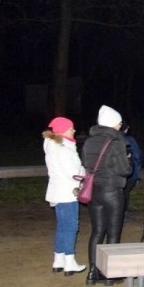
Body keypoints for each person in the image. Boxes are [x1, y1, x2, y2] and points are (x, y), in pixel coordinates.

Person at [82, 105, 132, 286]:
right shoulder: (117, 143)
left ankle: (92, 272)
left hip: (94, 191)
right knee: (112, 233)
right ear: (112, 124)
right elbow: (125, 170)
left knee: (96, 232)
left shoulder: (89, 141)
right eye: (118, 124)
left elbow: (87, 165)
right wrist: (128, 158)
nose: (120, 127)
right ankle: (110, 275)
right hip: (112, 191)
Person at [42, 116, 87, 276]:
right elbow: (74, 173)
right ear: (63, 131)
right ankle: (70, 261)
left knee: (62, 226)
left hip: (57, 190)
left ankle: (58, 259)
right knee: (71, 226)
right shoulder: (64, 149)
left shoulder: (54, 146)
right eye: (71, 128)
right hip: (67, 192)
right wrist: (85, 173)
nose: (74, 130)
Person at [122, 123, 143, 220]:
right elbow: (137, 154)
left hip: (115, 173)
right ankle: (123, 212)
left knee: (121, 192)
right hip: (130, 171)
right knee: (125, 192)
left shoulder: (111, 139)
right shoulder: (129, 139)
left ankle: (120, 212)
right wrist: (138, 166)